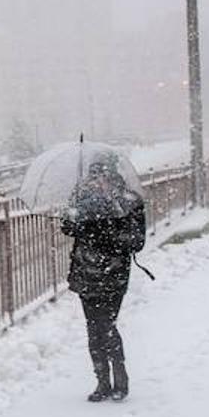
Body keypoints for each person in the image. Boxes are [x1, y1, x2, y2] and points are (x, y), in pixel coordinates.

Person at [61, 154, 147, 402]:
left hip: (114, 274)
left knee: (107, 325)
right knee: (93, 328)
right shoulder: (81, 199)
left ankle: (120, 379)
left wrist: (106, 233)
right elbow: (67, 227)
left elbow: (137, 241)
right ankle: (102, 382)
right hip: (86, 273)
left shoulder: (129, 201)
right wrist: (79, 219)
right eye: (94, 175)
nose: (99, 181)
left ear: (113, 175)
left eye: (103, 175)